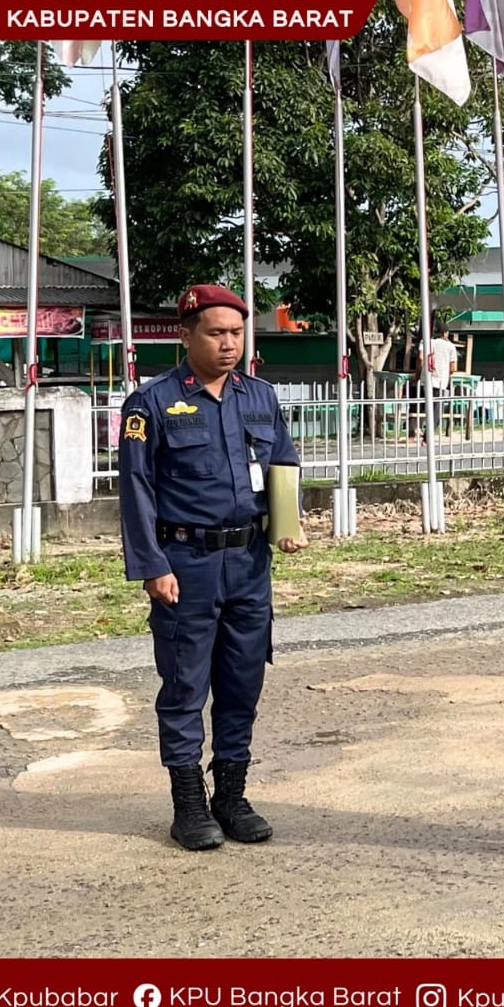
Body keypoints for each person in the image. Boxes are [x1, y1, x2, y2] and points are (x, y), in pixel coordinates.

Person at [118, 283, 308, 852]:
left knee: (241, 683)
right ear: (186, 335)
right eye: (216, 333)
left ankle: (230, 795)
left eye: (236, 333)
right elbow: (136, 490)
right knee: (184, 687)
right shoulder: (151, 403)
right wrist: (151, 566)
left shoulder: (259, 397)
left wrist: (287, 522)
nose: (229, 344)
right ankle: (189, 805)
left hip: (249, 562)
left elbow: (283, 461)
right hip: (186, 564)